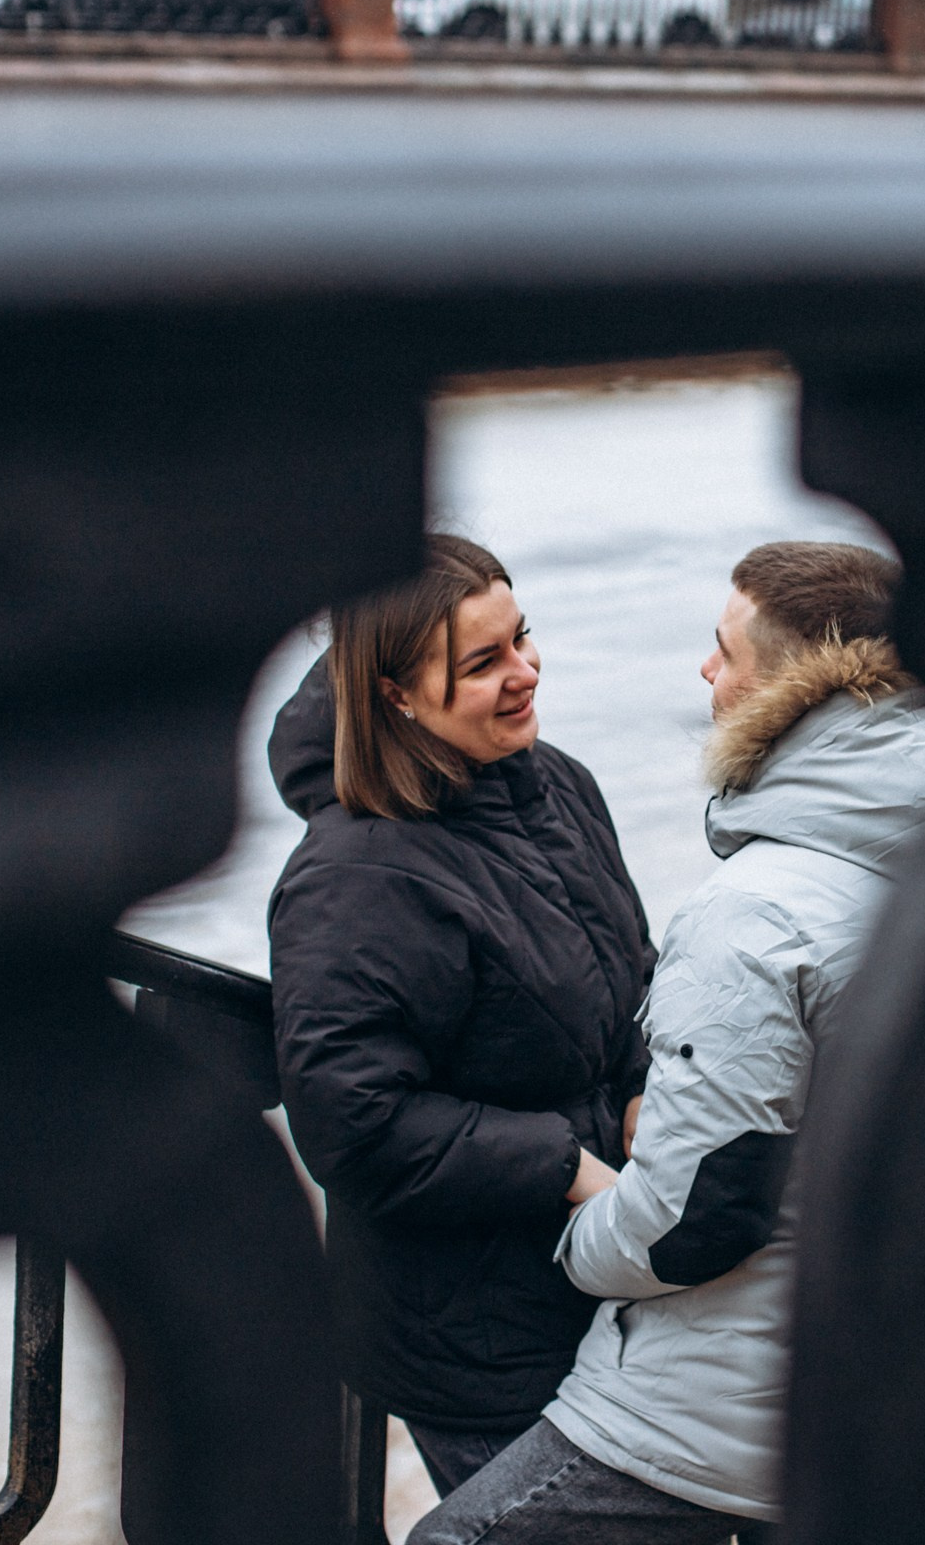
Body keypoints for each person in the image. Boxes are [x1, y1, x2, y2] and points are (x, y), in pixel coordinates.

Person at [408, 541, 925, 1545]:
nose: (706, 672)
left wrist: (572, 1242)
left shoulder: (757, 911)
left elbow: (691, 1220)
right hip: (909, 1417)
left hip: (721, 1426)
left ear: (792, 684)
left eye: (724, 648)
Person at [267, 535, 655, 1496]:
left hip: (601, 1290)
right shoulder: (352, 876)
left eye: (522, 639)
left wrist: (645, 1087)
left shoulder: (556, 782)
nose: (524, 674)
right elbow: (353, 1127)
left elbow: (625, 984)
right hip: (477, 1340)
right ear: (395, 694)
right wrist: (565, 1168)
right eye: (483, 664)